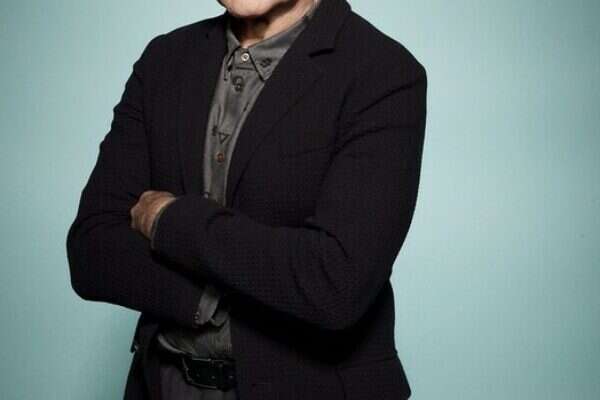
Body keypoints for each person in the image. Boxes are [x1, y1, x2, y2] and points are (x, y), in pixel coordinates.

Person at [66, 0, 428, 398]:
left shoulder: (383, 70)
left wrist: (168, 220)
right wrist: (218, 293)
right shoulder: (165, 58)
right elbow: (92, 249)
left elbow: (336, 284)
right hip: (164, 383)